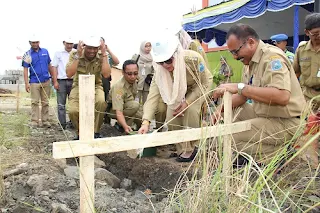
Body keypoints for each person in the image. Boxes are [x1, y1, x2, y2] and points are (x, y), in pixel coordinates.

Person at [212, 24, 306, 164]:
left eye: (236, 51)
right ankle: (264, 150)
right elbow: (243, 96)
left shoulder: (272, 58)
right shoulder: (249, 63)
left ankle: (281, 153)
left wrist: (239, 86)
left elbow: (282, 96)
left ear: (250, 42)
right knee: (232, 108)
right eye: (232, 53)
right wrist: (220, 110)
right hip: (267, 116)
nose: (235, 57)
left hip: (287, 121)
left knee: (230, 136)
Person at [138, 35, 213, 162]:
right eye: (161, 62)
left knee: (190, 112)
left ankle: (191, 148)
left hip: (198, 87)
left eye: (168, 60)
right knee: (171, 117)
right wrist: (146, 122)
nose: (165, 65)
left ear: (176, 53)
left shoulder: (193, 59)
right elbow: (152, 96)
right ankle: (181, 149)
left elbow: (204, 83)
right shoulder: (159, 71)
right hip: (177, 92)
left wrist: (187, 102)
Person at [66, 36, 111, 139]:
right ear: (84, 46)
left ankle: (96, 132)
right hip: (78, 86)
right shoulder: (75, 54)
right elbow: (69, 73)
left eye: (95, 48)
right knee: (73, 110)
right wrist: (78, 55)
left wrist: (104, 54)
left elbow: (106, 74)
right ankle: (80, 133)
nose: (92, 51)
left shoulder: (101, 56)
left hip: (96, 85)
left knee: (101, 102)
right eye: (89, 48)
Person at [292, 13, 320, 168]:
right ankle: (312, 168)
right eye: (315, 34)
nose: (318, 36)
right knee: (308, 132)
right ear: (307, 32)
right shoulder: (302, 50)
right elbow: (294, 73)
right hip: (308, 96)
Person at [22, 35, 57, 127]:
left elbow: (49, 65)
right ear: (30, 43)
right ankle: (34, 120)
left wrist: (53, 77)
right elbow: (25, 69)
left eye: (37, 42)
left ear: (39, 42)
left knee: (45, 102)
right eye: (33, 42)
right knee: (35, 102)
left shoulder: (45, 51)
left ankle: (45, 120)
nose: (35, 44)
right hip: (34, 81)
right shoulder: (27, 54)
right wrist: (26, 83)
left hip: (46, 80)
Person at [107, 60, 142, 134]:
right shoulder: (119, 88)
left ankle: (138, 131)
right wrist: (125, 126)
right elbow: (118, 111)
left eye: (135, 73)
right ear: (123, 72)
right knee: (134, 106)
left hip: (128, 106)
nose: (133, 77)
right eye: (129, 74)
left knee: (142, 117)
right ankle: (121, 127)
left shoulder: (135, 81)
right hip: (113, 110)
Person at [52, 37, 74, 129]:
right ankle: (62, 124)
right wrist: (55, 81)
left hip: (73, 81)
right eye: (67, 43)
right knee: (61, 104)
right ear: (64, 43)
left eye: (71, 43)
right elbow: (54, 67)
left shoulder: (76, 53)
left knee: (74, 104)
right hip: (61, 81)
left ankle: (73, 123)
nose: (69, 45)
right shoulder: (58, 53)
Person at [100, 37, 120, 101]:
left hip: (105, 79)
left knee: (105, 96)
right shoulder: (93, 53)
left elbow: (117, 62)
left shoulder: (107, 55)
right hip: (96, 77)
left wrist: (108, 50)